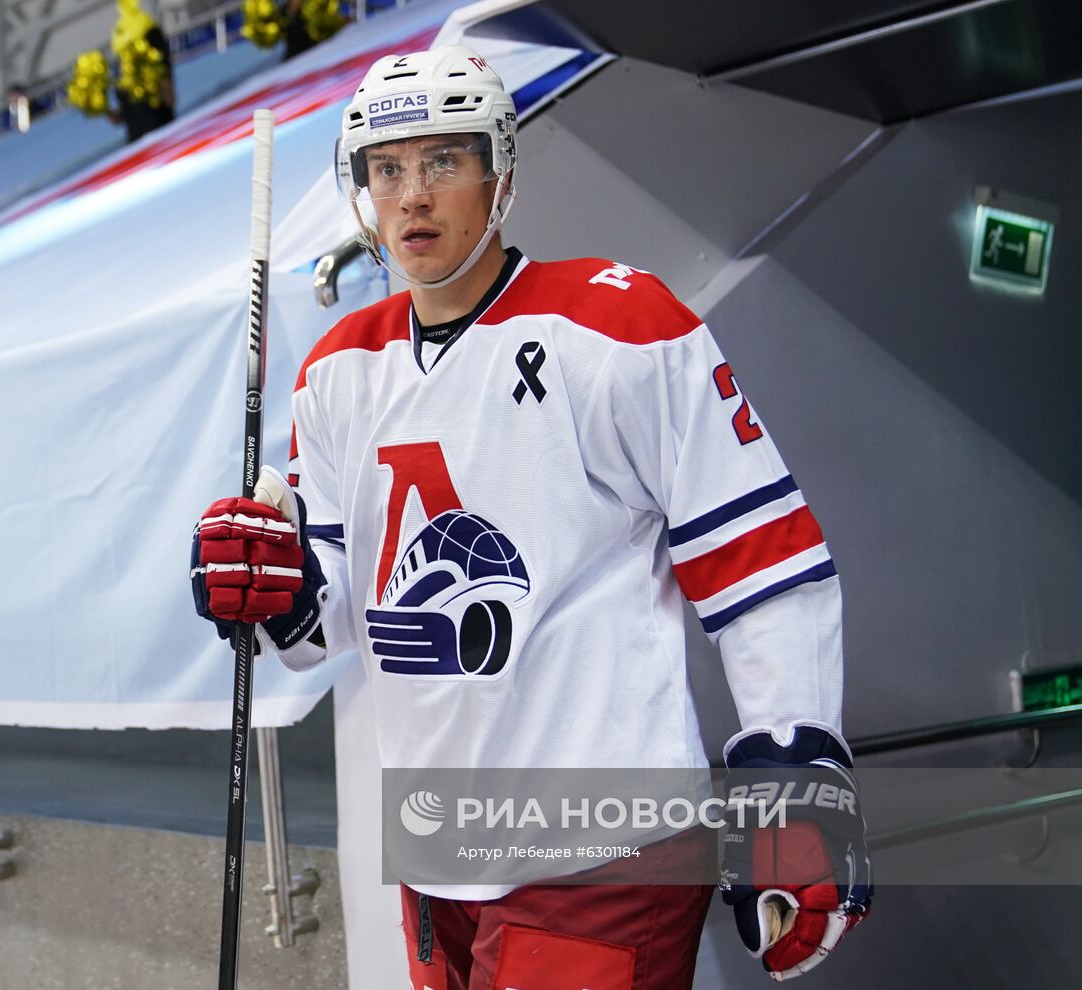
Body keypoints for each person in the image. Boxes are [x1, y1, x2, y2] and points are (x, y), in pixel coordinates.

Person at [191, 45, 871, 988]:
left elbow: (759, 559)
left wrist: (796, 774)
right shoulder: (337, 371)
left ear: (500, 174)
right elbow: (338, 616)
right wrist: (274, 589)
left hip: (601, 853)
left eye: (443, 162)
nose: (413, 196)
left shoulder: (624, 326)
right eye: (387, 170)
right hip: (436, 854)